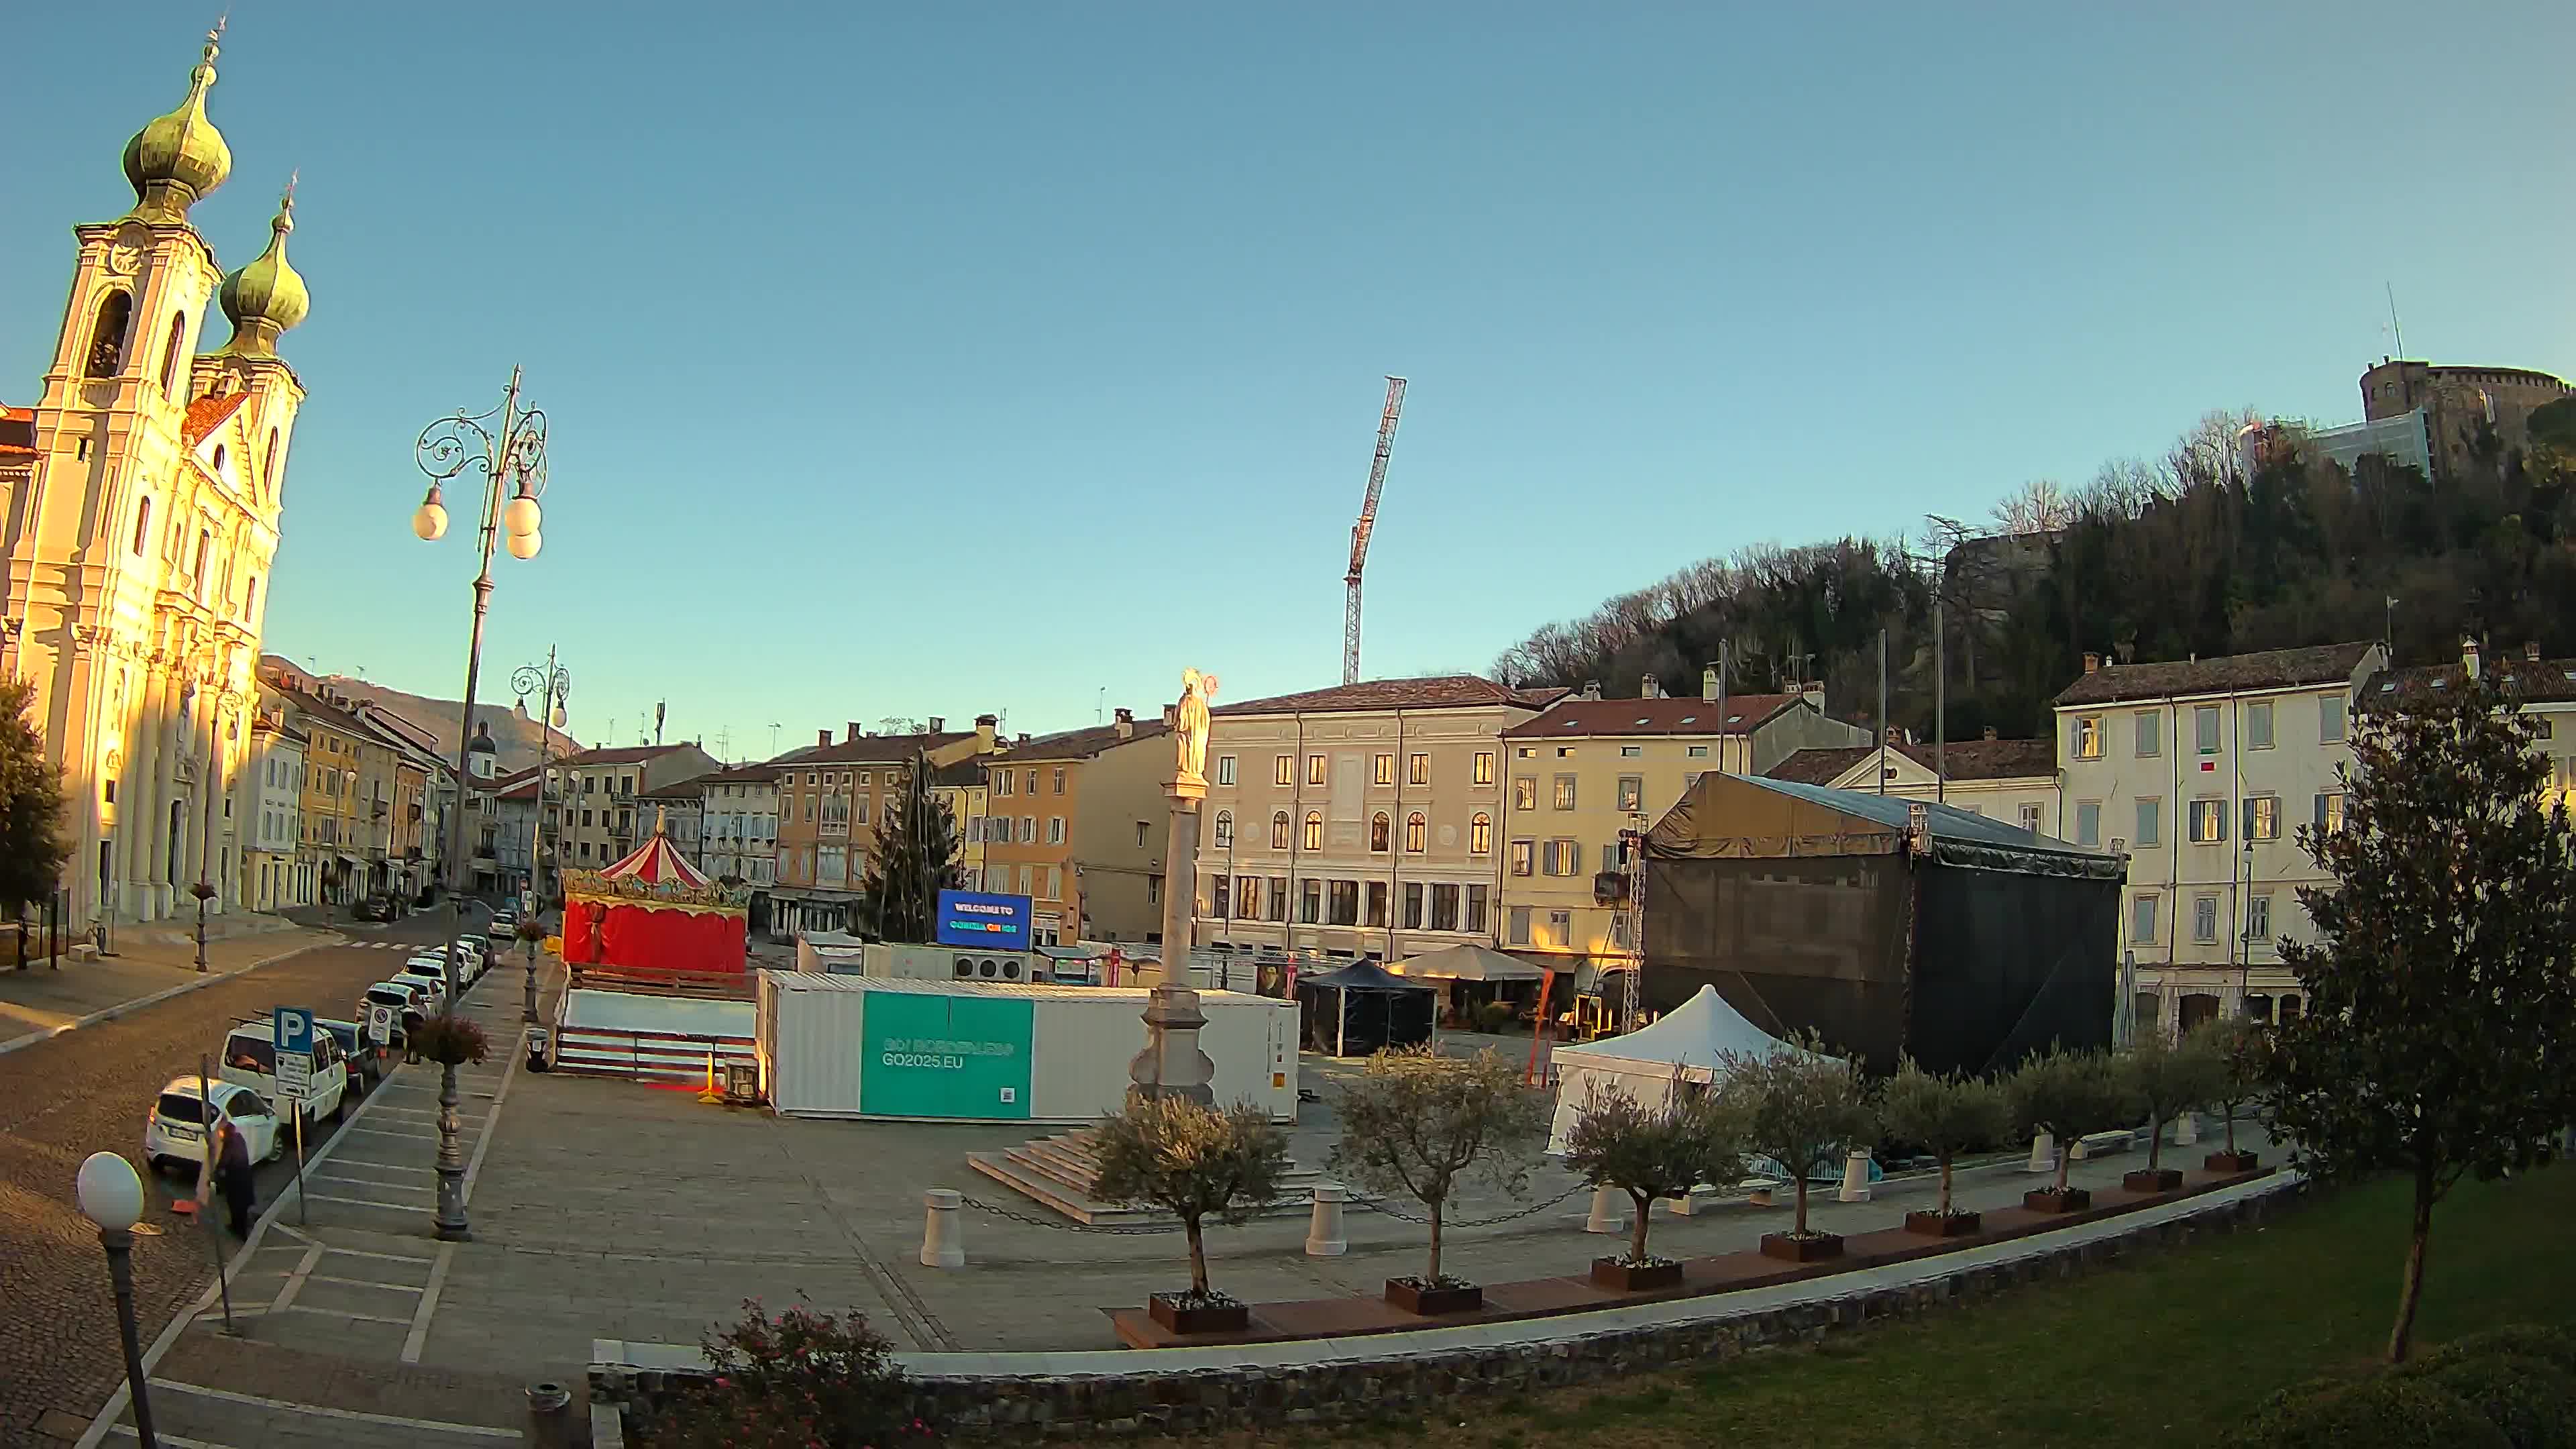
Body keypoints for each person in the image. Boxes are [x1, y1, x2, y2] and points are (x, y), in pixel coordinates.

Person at [197, 1112, 256, 1237]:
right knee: (241, 1207)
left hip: (237, 1180)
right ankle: (239, 1227)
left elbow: (224, 1161)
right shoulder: (239, 1138)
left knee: (236, 1207)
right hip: (245, 1177)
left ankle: (240, 1231)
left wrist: (215, 1175)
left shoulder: (230, 1144)